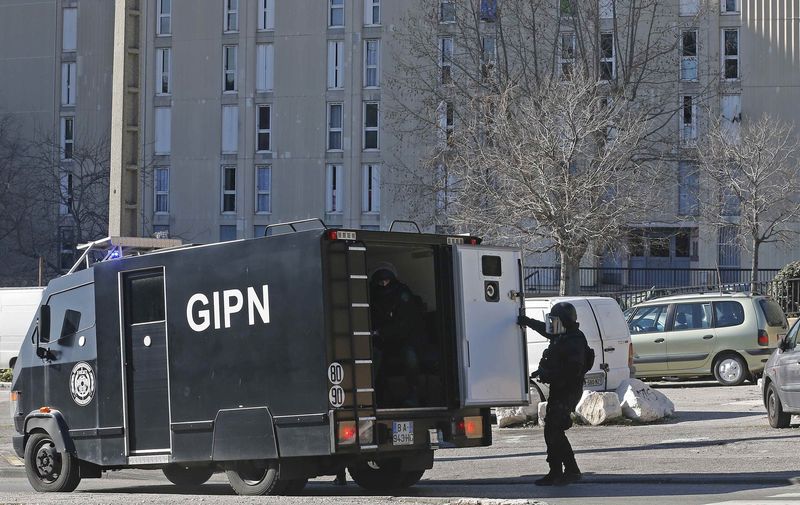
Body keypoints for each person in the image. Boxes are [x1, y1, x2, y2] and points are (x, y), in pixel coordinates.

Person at [518, 302, 588, 486]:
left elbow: (572, 370)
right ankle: (556, 470)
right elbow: (544, 329)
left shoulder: (574, 339)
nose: (552, 325)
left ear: (565, 321)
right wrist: (525, 321)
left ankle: (570, 470)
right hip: (559, 389)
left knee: (554, 429)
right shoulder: (561, 335)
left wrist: (549, 374)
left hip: (568, 391)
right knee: (551, 429)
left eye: (556, 320)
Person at [369, 263, 425, 407]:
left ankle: (414, 394)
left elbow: (406, 322)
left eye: (386, 280)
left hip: (405, 340)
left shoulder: (403, 294)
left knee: (410, 357)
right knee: (373, 357)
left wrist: (382, 332)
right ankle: (373, 397)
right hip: (382, 341)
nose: (383, 283)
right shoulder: (372, 296)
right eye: (380, 281)